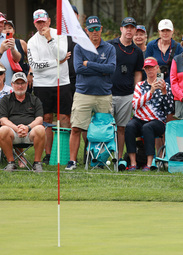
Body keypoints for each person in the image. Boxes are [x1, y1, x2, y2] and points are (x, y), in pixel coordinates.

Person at [66, 16, 116, 170]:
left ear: (101, 29)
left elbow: (111, 69)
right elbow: (79, 69)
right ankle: (72, 161)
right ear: (86, 30)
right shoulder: (79, 47)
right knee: (76, 128)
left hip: (103, 94)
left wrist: (90, 64)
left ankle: (99, 160)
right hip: (83, 93)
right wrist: (101, 68)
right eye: (91, 29)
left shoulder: (109, 48)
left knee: (103, 130)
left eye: (97, 28)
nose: (94, 32)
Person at [27, 9, 71, 165]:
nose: (41, 25)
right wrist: (56, 63)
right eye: (38, 23)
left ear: (49, 21)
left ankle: (65, 154)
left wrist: (50, 39)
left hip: (62, 81)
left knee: (64, 117)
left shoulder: (60, 34)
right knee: (45, 118)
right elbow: (35, 66)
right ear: (35, 23)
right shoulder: (32, 42)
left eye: (44, 22)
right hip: (42, 84)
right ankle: (48, 154)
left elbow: (61, 54)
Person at [107, 17, 144, 170]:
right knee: (106, 127)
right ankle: (102, 157)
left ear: (135, 31)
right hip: (108, 93)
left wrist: (136, 93)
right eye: (126, 27)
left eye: (132, 27)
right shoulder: (110, 46)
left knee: (121, 128)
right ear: (121, 29)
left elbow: (137, 73)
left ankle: (119, 157)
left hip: (127, 95)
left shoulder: (137, 51)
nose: (129, 30)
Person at [125, 57, 174, 171]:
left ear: (157, 68)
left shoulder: (165, 86)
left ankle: (149, 163)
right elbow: (135, 105)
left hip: (157, 121)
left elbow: (169, 110)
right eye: (147, 68)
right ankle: (133, 163)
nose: (149, 71)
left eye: (151, 68)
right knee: (129, 126)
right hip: (139, 119)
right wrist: (150, 92)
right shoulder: (140, 85)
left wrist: (164, 93)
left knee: (148, 127)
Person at [0, 72, 45, 172]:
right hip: (12, 133)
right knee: (2, 130)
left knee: (41, 129)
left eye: (22, 83)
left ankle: (37, 163)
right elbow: (3, 119)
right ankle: (11, 163)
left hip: (30, 133)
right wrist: (16, 128)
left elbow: (39, 119)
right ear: (12, 84)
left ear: (26, 84)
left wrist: (27, 127)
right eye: (17, 83)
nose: (20, 86)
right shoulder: (5, 100)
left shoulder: (34, 99)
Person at [145, 19, 183, 84]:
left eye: (168, 30)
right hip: (154, 84)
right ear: (159, 31)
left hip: (173, 84)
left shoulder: (178, 47)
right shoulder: (151, 45)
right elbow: (146, 67)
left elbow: (181, 68)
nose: (165, 33)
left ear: (172, 31)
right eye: (163, 31)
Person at [3, 20, 32, 89]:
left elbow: (32, 59)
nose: (7, 30)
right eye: (4, 28)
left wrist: (30, 73)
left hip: (20, 81)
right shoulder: (1, 44)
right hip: (4, 81)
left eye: (10, 28)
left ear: (13, 31)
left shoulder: (21, 43)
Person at [0, 12, 22, 86]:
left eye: (2, 22)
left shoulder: (7, 37)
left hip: (8, 84)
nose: (0, 24)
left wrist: (13, 49)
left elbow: (17, 59)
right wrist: (1, 51)